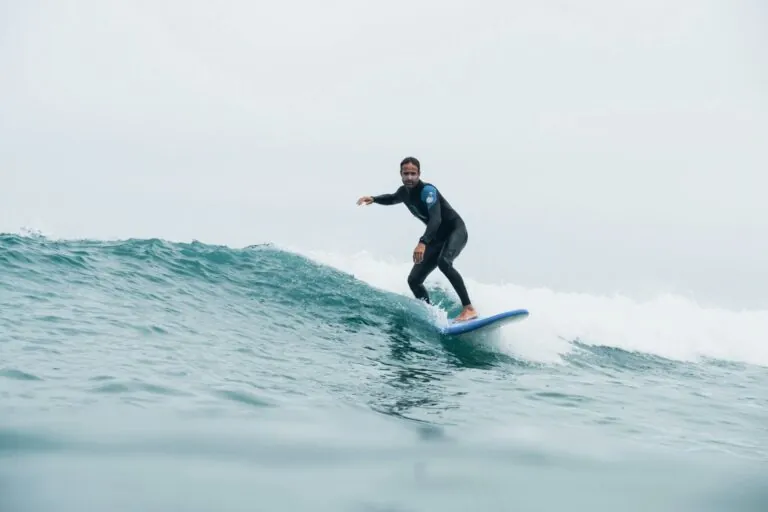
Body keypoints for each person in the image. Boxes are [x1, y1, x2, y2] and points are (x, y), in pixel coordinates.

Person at [356, 156, 478, 322]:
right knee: (414, 280)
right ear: (401, 174)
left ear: (419, 174)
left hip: (455, 230)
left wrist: (422, 242)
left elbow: (436, 219)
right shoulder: (403, 193)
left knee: (444, 262)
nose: (409, 177)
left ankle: (469, 308)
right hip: (437, 237)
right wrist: (375, 199)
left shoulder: (428, 191)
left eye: (413, 173)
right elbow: (392, 198)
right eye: (406, 174)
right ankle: (431, 314)